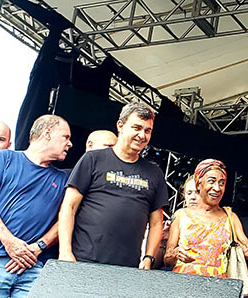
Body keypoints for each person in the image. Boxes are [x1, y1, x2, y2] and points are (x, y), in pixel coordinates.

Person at [58, 102, 168, 269]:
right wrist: (65, 251)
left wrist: (148, 258)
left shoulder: (154, 173)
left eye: (147, 130)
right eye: (136, 128)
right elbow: (69, 207)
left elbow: (156, 223)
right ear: (120, 126)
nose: (142, 135)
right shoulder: (93, 159)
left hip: (126, 268)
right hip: (83, 260)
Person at [0, 115, 72, 297]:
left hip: (34, 265)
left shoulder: (63, 179)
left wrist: (39, 246)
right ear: (47, 133)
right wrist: (10, 242)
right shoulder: (5, 158)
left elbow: (66, 219)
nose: (70, 144)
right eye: (65, 137)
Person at [164, 159, 248, 277]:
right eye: (211, 181)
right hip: (183, 284)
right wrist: (175, 254)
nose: (217, 188)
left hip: (217, 286)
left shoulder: (229, 216)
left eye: (222, 183)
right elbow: (167, 260)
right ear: (198, 184)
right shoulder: (181, 215)